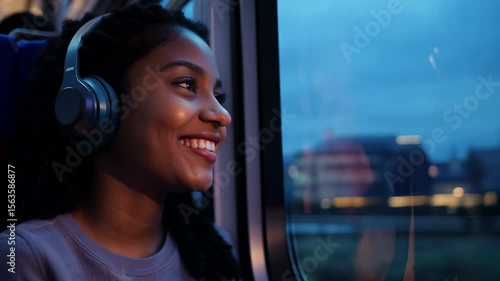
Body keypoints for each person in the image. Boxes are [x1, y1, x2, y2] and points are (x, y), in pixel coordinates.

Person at [0, 4, 240, 281]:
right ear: (94, 106)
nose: (222, 115)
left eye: (218, 97)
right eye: (187, 84)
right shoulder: (24, 258)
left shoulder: (213, 251)